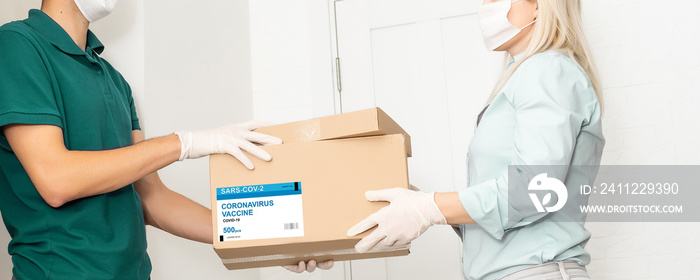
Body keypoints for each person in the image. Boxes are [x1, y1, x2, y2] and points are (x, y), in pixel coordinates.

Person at [0, 0, 330, 278]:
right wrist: (183, 143)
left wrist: (265, 240)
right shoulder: (17, 45)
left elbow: (153, 199)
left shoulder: (114, 79)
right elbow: (57, 180)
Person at [348, 0, 604, 279]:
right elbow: (498, 215)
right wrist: (413, 202)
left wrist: (430, 208)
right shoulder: (525, 76)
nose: (485, 6)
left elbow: (534, 190)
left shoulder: (548, 70)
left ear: (539, 7)